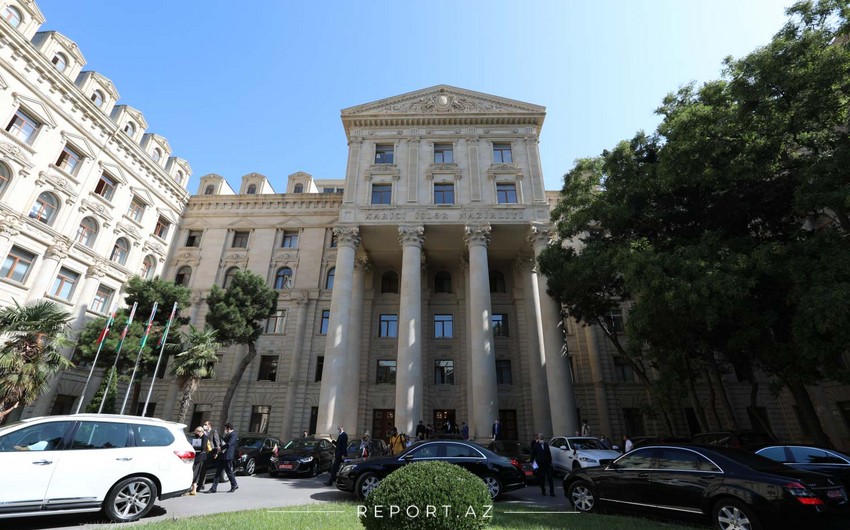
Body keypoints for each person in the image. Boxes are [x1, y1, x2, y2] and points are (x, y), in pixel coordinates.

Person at [208, 423, 238, 493]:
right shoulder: (228, 435)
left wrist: (220, 448)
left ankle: (234, 485)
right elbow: (224, 442)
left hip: (228, 456)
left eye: (225, 429)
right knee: (218, 472)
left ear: (228, 428)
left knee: (229, 472)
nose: (225, 430)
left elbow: (229, 444)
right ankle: (213, 488)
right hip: (223, 456)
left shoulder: (233, 434)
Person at [196, 420, 221, 492]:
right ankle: (201, 484)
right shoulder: (203, 432)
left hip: (210, 452)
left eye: (205, 424)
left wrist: (216, 453)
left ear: (209, 425)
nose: (204, 426)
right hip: (203, 452)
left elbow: (217, 443)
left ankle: (200, 485)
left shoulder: (213, 431)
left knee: (203, 468)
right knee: (202, 468)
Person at [189, 426, 207, 495]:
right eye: (196, 431)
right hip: (195, 456)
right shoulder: (196, 437)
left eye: (198, 431)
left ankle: (194, 489)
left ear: (201, 431)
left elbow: (203, 447)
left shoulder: (204, 437)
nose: (196, 433)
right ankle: (192, 488)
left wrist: (194, 447)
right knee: (193, 472)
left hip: (201, 457)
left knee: (196, 472)